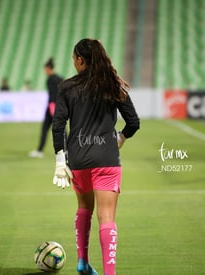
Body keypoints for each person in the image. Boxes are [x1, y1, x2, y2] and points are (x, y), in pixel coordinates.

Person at [52, 39, 140, 275]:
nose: (73, 62)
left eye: (73, 58)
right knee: (107, 217)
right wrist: (119, 139)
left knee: (84, 208)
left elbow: (58, 124)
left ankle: (82, 262)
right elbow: (133, 122)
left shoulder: (66, 87)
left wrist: (60, 159)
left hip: (78, 159)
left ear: (80, 60)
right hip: (106, 159)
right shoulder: (112, 85)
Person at [29, 58, 63, 158]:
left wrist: (52, 107)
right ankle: (68, 150)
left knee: (45, 129)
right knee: (62, 130)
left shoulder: (50, 80)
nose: (44, 71)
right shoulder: (60, 78)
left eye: (45, 69)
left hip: (52, 108)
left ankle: (39, 151)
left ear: (48, 68)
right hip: (59, 107)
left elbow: (52, 95)